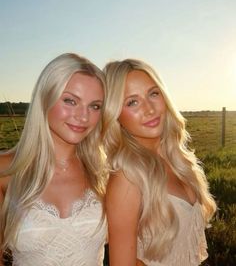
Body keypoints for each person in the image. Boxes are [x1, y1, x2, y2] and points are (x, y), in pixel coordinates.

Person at [102, 58, 216, 266]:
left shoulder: (178, 159)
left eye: (153, 93)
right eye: (132, 102)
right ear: (115, 114)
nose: (149, 109)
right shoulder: (127, 179)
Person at [0, 53, 108, 266]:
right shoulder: (5, 171)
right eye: (70, 101)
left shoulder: (105, 173)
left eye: (95, 106)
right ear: (45, 99)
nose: (83, 116)